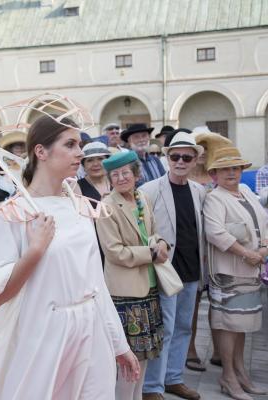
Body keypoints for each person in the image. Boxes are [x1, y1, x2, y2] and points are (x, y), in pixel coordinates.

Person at [0, 115, 139, 400]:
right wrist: (34, 252)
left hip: (91, 331)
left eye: (80, 144)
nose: (80, 152)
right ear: (41, 151)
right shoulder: (15, 214)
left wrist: (119, 343)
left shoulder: (79, 206)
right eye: (70, 144)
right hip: (45, 335)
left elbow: (96, 284)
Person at [96, 150, 169, 400]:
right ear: (110, 180)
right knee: (128, 362)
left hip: (148, 287)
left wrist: (161, 244)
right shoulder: (106, 207)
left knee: (144, 356)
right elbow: (114, 252)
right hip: (125, 293)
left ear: (136, 175)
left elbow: (155, 231)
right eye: (115, 174)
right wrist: (151, 252)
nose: (121, 178)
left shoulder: (142, 198)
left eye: (126, 172)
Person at [139, 133, 206, 400]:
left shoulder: (199, 190)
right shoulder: (150, 189)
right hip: (165, 271)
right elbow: (142, 229)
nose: (180, 161)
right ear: (167, 158)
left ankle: (174, 378)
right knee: (165, 329)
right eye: (174, 156)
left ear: (195, 160)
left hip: (191, 270)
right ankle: (152, 387)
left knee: (184, 327)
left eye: (186, 157)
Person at [203, 146, 267, 400]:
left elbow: (263, 222)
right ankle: (228, 376)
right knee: (229, 325)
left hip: (250, 270)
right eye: (225, 168)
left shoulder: (247, 191)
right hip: (229, 273)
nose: (231, 172)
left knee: (241, 325)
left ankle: (240, 373)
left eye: (235, 167)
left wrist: (262, 249)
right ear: (215, 173)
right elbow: (216, 233)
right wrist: (248, 253)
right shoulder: (215, 197)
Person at [185, 128, 232, 371]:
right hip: (194, 249)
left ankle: (218, 350)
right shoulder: (184, 176)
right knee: (193, 300)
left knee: (219, 301)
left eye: (206, 148)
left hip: (218, 249)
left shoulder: (216, 177)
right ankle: (190, 349)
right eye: (198, 148)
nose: (202, 153)